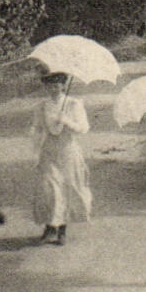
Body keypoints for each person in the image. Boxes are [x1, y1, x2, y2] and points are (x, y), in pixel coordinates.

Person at [31, 72, 92, 246]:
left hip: (68, 150)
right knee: (48, 188)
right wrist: (35, 153)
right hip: (48, 151)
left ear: (63, 86)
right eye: (49, 85)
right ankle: (50, 226)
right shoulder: (41, 106)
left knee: (66, 188)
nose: (53, 88)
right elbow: (37, 129)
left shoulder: (73, 104)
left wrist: (67, 121)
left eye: (56, 84)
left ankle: (62, 229)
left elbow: (84, 128)